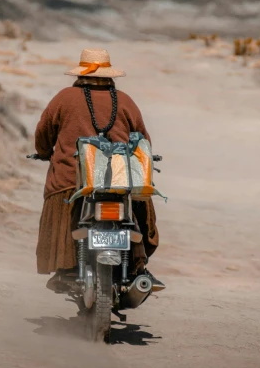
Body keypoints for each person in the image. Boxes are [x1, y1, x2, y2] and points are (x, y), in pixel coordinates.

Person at [34, 47, 164, 291]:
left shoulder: (63, 98)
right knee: (139, 203)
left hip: (71, 180)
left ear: (81, 73)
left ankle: (67, 266)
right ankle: (138, 266)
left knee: (62, 196)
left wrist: (44, 153)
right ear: (109, 74)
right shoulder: (124, 100)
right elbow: (143, 139)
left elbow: (43, 133)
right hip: (119, 179)